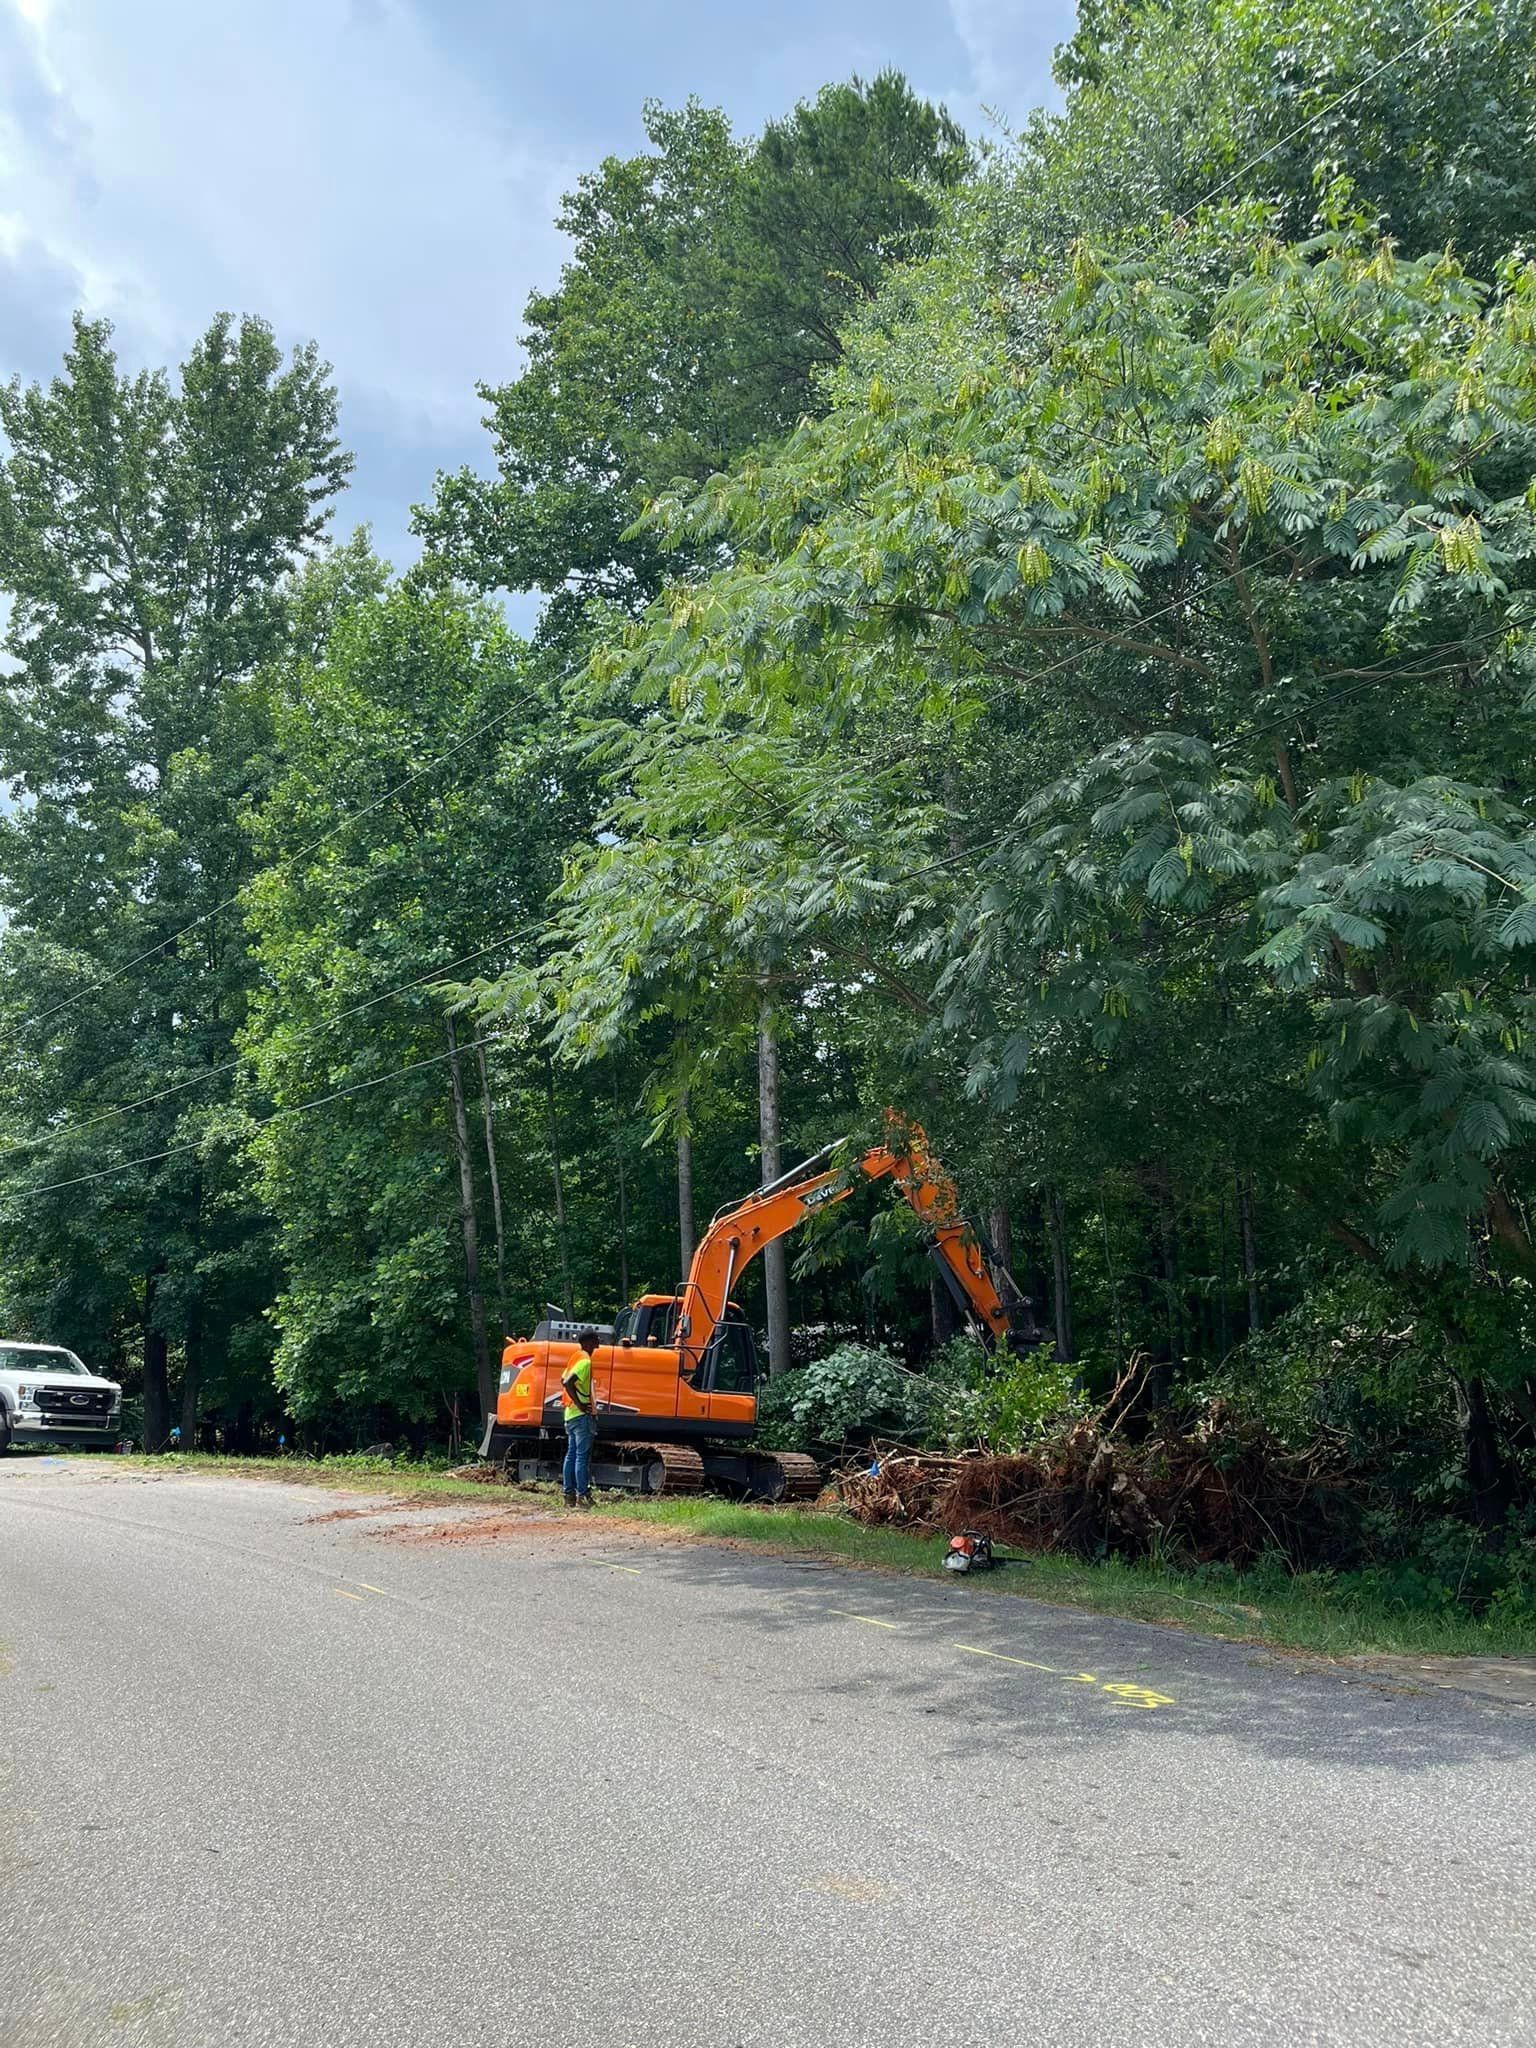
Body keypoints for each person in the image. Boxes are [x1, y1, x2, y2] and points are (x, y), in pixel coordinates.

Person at [561, 1329, 600, 1508]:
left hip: (569, 1415)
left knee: (571, 1455)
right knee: (581, 1458)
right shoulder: (585, 1361)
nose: (598, 1343)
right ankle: (583, 1496)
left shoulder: (575, 1358)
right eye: (596, 1340)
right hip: (580, 1416)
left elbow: (564, 1379)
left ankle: (568, 1495)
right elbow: (568, 1382)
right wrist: (581, 1404)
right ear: (589, 1341)